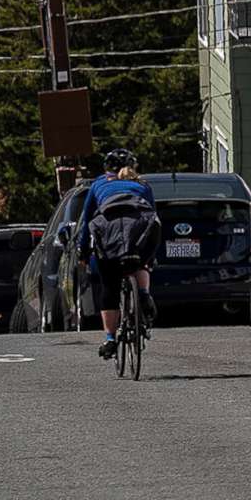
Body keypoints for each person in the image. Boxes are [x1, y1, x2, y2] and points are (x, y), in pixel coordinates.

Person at [76, 150, 161, 363]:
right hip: (140, 226)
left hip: (109, 232)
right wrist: (151, 254)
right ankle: (143, 293)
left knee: (110, 286)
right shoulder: (142, 185)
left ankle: (110, 338)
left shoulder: (98, 184)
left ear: (107, 169)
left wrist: (83, 249)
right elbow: (152, 213)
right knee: (141, 259)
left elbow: (87, 219)